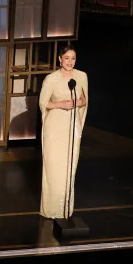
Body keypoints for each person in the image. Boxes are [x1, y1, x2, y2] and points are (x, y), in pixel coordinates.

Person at [37, 43, 89, 220]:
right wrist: (61, 104)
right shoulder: (51, 79)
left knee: (68, 167)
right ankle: (50, 209)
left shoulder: (81, 76)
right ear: (60, 59)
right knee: (53, 167)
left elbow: (84, 100)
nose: (70, 62)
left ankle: (65, 209)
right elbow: (43, 103)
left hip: (72, 126)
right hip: (54, 126)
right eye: (66, 58)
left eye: (73, 58)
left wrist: (75, 103)